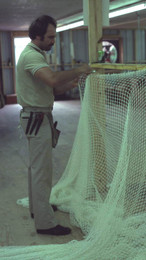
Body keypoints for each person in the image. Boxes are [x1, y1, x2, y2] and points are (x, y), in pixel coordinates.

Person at [16, 15, 91, 236]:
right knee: (42, 171)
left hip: (37, 118)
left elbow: (53, 89)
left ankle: (37, 209)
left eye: (54, 37)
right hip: (36, 119)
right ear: (37, 36)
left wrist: (73, 82)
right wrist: (78, 70)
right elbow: (53, 80)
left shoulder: (36, 55)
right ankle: (45, 223)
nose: (53, 41)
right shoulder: (31, 56)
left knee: (36, 169)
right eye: (50, 37)